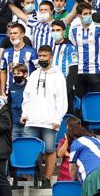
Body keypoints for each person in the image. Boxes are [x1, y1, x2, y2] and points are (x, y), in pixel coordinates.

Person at [22, 45, 68, 187]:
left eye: (44, 56)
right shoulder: (34, 74)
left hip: (49, 120)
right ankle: (29, 175)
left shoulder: (58, 75)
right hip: (32, 119)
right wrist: (25, 113)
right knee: (29, 148)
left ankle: (47, 178)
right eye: (40, 56)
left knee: (49, 149)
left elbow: (62, 99)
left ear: (51, 56)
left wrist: (57, 118)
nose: (42, 58)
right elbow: (27, 96)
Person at [58, 119, 100, 196]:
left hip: (96, 175)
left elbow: (72, 168)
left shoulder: (76, 143)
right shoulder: (96, 140)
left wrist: (74, 180)